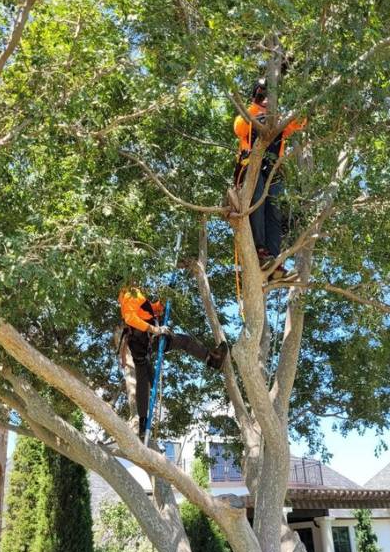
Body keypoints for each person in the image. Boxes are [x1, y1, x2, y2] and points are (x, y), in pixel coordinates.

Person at [118, 286, 228, 439]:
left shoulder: (134, 295)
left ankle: (143, 425)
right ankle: (212, 359)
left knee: (145, 379)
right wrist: (154, 330)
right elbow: (130, 319)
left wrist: (159, 305)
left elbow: (147, 311)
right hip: (143, 340)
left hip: (142, 342)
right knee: (183, 342)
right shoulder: (130, 293)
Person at [233, 78, 307, 278]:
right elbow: (239, 128)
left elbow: (300, 122)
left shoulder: (279, 118)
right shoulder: (250, 115)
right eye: (262, 94)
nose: (266, 99)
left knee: (274, 211)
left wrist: (299, 94)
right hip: (251, 166)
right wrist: (257, 110)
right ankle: (260, 250)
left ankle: (273, 260)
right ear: (256, 95)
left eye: (269, 95)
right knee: (257, 201)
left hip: (273, 170)